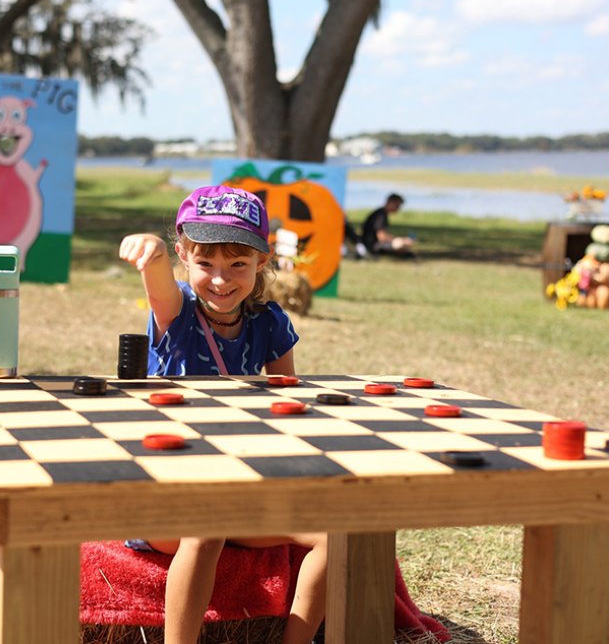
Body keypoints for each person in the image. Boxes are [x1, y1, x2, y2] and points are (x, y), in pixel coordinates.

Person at [118, 185, 327, 644]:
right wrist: (150, 255)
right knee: (205, 527)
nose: (220, 278)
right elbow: (157, 285)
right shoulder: (177, 311)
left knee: (337, 535)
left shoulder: (269, 322)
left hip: (239, 484)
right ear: (183, 257)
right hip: (166, 487)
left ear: (262, 261)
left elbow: (286, 403)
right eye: (205, 263)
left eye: (237, 264)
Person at [361, 192, 415, 258]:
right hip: (372, 245)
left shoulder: (381, 213)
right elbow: (382, 237)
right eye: (397, 205)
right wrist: (401, 240)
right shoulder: (380, 216)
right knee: (400, 246)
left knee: (401, 246)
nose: (398, 208)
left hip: (371, 244)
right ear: (391, 203)